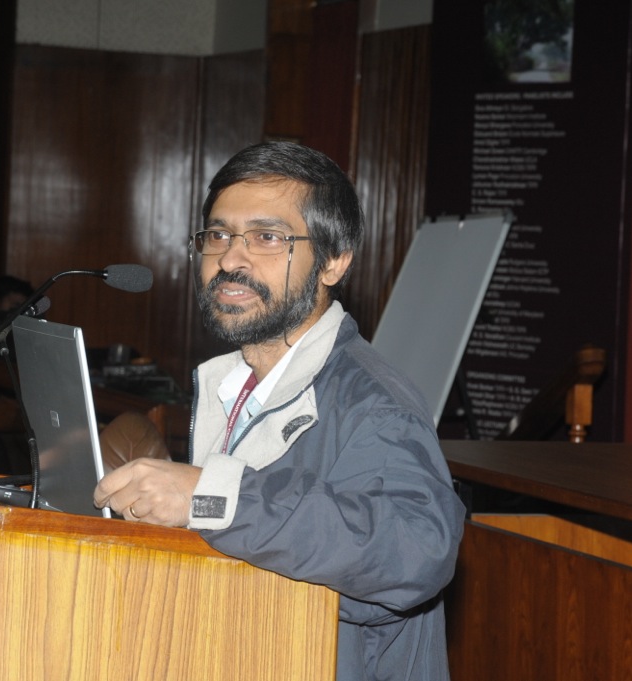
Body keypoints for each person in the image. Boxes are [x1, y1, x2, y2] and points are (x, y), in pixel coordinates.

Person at [93, 141, 465, 681]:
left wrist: (212, 496)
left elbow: (417, 553)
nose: (231, 259)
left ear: (334, 262)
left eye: (267, 237)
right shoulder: (232, 384)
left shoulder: (376, 404)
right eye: (218, 235)